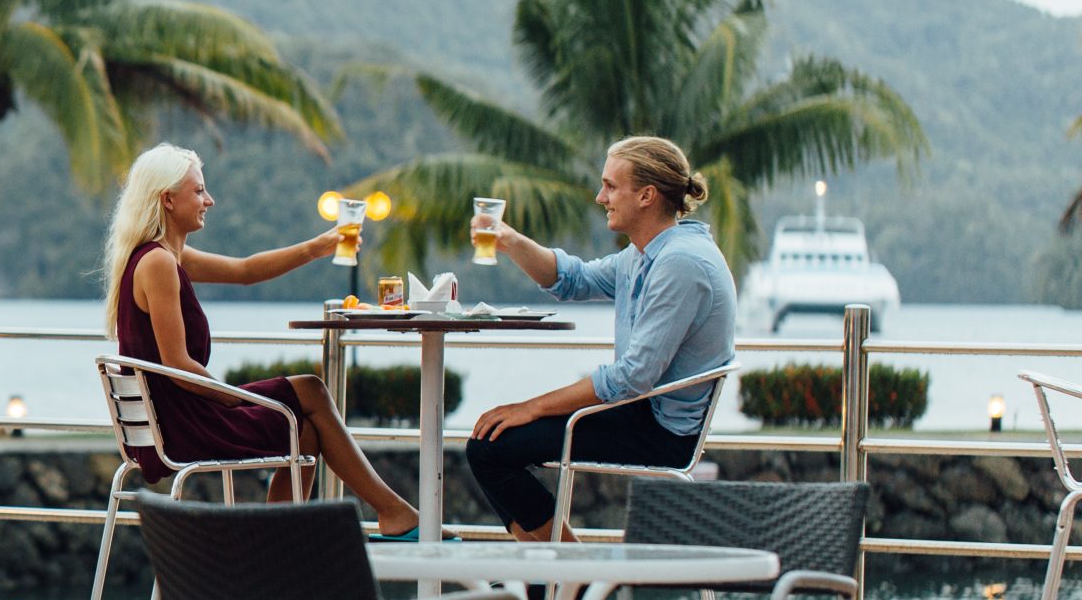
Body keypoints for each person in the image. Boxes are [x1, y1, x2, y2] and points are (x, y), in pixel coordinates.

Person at [106, 143, 419, 536]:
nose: (210, 200)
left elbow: (245, 271)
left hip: (175, 418)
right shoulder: (158, 263)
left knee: (304, 427)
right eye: (199, 191)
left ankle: (281, 545)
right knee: (312, 390)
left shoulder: (161, 257)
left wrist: (317, 246)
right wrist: (238, 398)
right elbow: (179, 368)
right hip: (184, 425)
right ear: (168, 199)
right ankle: (393, 512)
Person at [465, 135, 736, 540]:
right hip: (642, 412)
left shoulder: (681, 263)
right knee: (491, 444)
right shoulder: (645, 254)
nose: (600, 196)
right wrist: (511, 241)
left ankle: (571, 576)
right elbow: (573, 280)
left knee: (492, 448)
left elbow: (632, 377)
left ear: (646, 195)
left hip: (663, 433)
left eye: (610, 186)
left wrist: (533, 407)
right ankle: (558, 585)